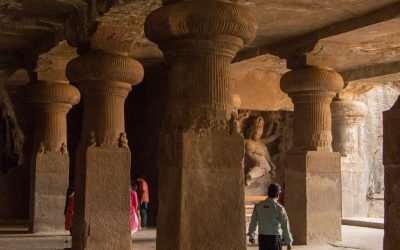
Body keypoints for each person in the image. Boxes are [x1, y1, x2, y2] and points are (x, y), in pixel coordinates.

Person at [247, 183, 293, 250]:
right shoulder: (279, 208)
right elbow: (285, 226)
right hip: (275, 239)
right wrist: (289, 242)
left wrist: (251, 235)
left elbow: (253, 222)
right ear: (278, 194)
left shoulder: (258, 206)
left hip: (262, 238)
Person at [244, 116, 280, 186]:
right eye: (259, 127)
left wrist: (277, 134)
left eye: (262, 128)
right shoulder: (249, 143)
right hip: (257, 170)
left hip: (266, 171)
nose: (261, 131)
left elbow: (269, 140)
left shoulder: (260, 142)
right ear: (253, 128)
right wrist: (255, 161)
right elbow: (250, 155)